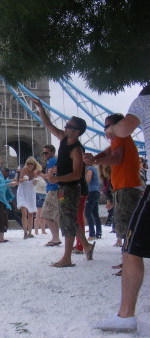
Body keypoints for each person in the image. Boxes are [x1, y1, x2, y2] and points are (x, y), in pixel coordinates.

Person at [94, 85, 150, 332]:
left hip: (130, 188)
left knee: (131, 247)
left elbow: (123, 131)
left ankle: (126, 315)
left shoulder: (144, 99)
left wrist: (111, 129)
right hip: (127, 187)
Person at [33, 98, 95, 267]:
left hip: (72, 188)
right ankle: (87, 246)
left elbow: (76, 174)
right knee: (70, 219)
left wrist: (56, 178)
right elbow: (48, 124)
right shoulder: (63, 139)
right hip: (63, 188)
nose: (65, 127)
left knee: (67, 221)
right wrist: (40, 107)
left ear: (76, 132)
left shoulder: (77, 149)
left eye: (69, 126)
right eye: (66, 125)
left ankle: (67, 258)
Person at [84, 113, 141, 272]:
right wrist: (94, 158)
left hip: (126, 187)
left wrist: (94, 161)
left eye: (108, 125)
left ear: (117, 126)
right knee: (125, 225)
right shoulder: (120, 139)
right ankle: (127, 261)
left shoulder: (121, 137)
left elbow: (115, 158)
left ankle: (129, 264)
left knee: (126, 226)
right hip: (125, 186)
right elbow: (108, 152)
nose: (105, 129)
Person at [39, 145, 62, 247]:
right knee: (54, 216)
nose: (44, 155)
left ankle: (55, 238)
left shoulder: (51, 161)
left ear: (52, 152)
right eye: (43, 153)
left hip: (52, 190)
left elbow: (49, 177)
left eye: (46, 153)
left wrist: (39, 174)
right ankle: (56, 237)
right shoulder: (55, 161)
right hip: (58, 190)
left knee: (45, 215)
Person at [17, 156, 41, 239]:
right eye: (28, 163)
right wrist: (24, 179)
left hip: (30, 191)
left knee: (31, 213)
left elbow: (34, 184)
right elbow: (19, 181)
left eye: (31, 164)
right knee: (24, 212)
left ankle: (30, 232)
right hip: (23, 190)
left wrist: (35, 180)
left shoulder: (35, 171)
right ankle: (25, 232)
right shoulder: (24, 169)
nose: (30, 165)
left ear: (34, 165)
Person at [85, 165, 102, 240]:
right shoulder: (95, 169)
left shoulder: (90, 168)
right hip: (96, 192)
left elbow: (88, 179)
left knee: (87, 212)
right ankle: (99, 232)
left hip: (91, 192)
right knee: (95, 213)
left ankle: (92, 233)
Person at [33, 169, 47, 235]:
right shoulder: (35, 179)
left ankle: (43, 230)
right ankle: (36, 230)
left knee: (42, 215)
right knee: (38, 214)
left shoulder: (41, 178)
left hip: (43, 195)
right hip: (39, 195)